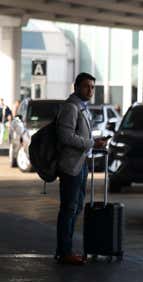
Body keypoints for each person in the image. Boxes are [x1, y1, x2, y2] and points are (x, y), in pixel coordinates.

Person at [55, 72, 106, 265]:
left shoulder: (82, 107)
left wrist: (94, 143)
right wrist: (91, 143)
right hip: (70, 166)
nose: (90, 90)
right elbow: (65, 137)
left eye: (93, 87)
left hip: (81, 163)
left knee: (75, 208)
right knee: (69, 208)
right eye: (86, 86)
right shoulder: (71, 107)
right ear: (76, 87)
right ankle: (64, 251)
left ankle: (65, 249)